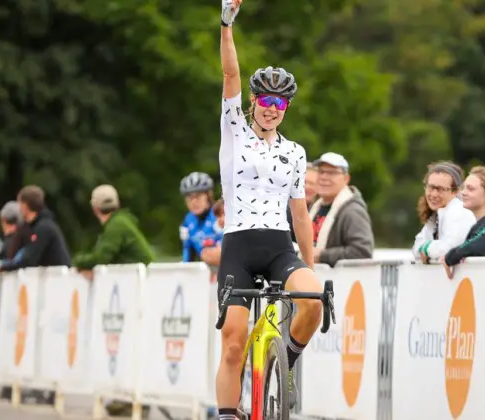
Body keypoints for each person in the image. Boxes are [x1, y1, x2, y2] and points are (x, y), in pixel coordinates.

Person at [216, 0, 322, 415]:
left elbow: (300, 216)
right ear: (255, 101)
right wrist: (227, 25)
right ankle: (228, 412)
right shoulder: (234, 131)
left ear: (286, 109)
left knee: (313, 299)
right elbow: (230, 73)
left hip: (280, 247)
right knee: (233, 345)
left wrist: (310, 266)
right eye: (265, 100)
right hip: (239, 249)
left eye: (279, 104)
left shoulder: (295, 152)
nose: (270, 109)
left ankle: (287, 360)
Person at [0, 185, 71, 274]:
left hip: (57, 281)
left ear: (25, 206)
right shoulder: (36, 227)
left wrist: (1, 266)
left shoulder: (43, 228)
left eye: (19, 204)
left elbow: (28, 259)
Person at [308, 152, 374, 266]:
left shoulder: (353, 211)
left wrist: (322, 256)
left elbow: (362, 251)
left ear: (346, 179)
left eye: (331, 173)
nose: (324, 177)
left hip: (341, 282)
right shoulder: (316, 207)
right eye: (321, 171)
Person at [72, 184, 155, 271]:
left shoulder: (116, 225)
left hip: (146, 279)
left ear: (94, 208)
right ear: (118, 203)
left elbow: (101, 258)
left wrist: (78, 260)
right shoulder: (122, 221)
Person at [412, 161, 476, 263]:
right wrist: (425, 249)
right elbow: (416, 247)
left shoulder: (460, 213)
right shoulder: (435, 216)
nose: (433, 194)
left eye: (440, 189)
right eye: (430, 187)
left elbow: (449, 249)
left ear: (455, 191)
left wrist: (425, 249)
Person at [179, 172, 223, 263]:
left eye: (198, 196)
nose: (194, 202)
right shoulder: (188, 220)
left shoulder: (220, 214)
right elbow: (187, 251)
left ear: (208, 196)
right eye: (190, 198)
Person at [288, 163, 318, 242]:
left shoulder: (320, 210)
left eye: (312, 183)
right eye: (304, 182)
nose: (307, 187)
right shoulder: (284, 210)